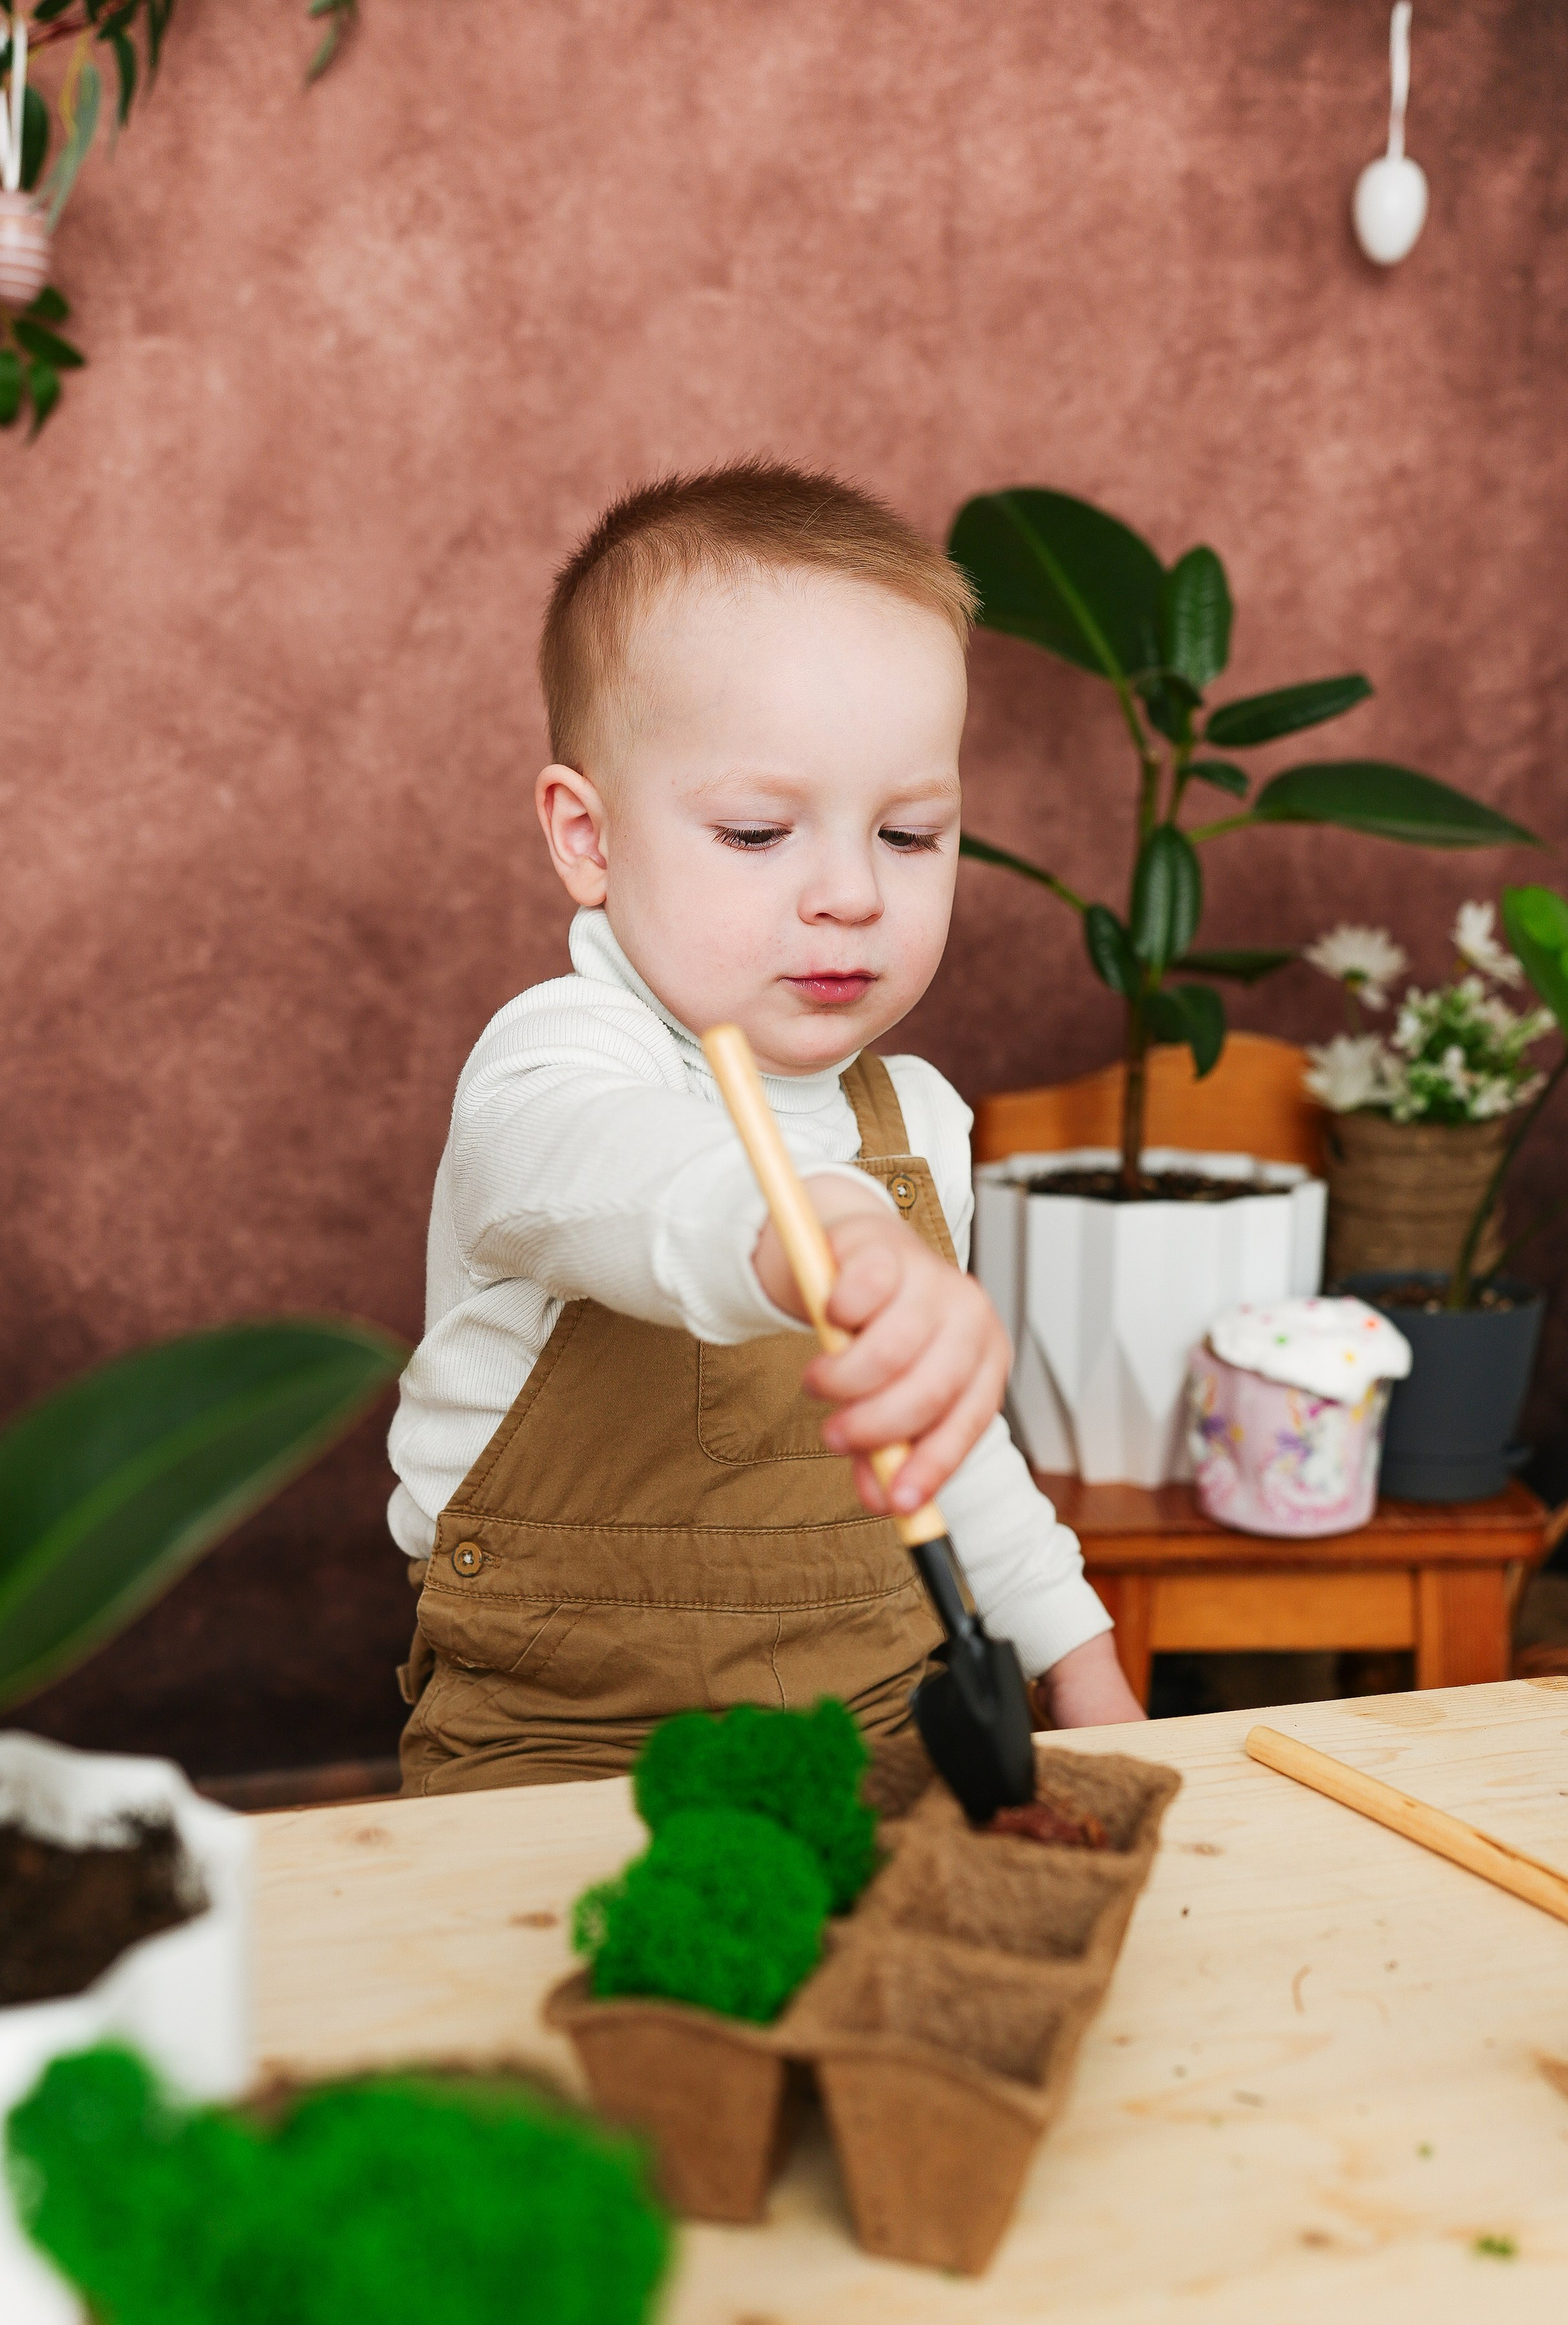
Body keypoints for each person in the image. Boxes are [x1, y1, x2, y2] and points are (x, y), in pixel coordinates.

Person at [389, 459, 1143, 1795]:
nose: (850, 892)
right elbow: (642, 1183)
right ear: (587, 837)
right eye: (756, 832)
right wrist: (826, 1224)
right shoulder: (550, 1069)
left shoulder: (916, 1124)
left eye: (909, 835)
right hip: (565, 1741)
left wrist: (1075, 1655)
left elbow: (944, 1439)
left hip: (882, 1718)